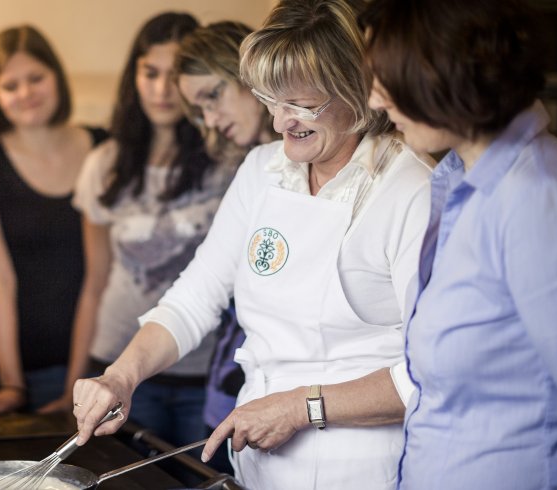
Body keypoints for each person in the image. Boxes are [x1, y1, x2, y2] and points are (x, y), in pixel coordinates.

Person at [72, 1, 435, 488]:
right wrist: (120, 376)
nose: (282, 122)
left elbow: (431, 371)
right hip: (259, 463)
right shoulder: (262, 170)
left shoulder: (412, 187)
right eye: (270, 100)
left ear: (356, 86)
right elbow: (194, 297)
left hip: (366, 467)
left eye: (303, 104)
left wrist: (300, 408)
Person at [362, 0, 557, 488]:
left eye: (385, 78)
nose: (375, 101)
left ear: (444, 71)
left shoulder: (536, 199)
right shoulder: (459, 178)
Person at [68, 12, 237, 449]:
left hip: (200, 371)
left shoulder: (231, 158)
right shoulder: (104, 163)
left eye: (174, 74)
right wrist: (75, 379)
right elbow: (95, 281)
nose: (163, 90)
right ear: (134, 76)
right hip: (116, 362)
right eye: (150, 73)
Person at [0, 25, 108, 415]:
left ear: (57, 76)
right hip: (23, 366)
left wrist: (81, 375)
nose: (26, 94)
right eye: (10, 85)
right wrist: (12, 384)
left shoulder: (103, 148)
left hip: (103, 359)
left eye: (36, 78)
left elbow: (102, 274)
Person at [173, 20, 277, 475]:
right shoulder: (253, 166)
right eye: (199, 110)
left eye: (212, 96)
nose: (210, 120)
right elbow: (201, 289)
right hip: (234, 377)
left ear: (246, 69)